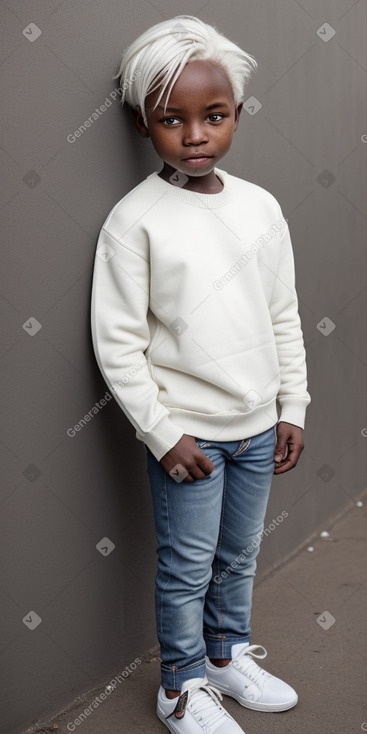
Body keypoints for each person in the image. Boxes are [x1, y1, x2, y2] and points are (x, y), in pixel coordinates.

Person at [91, 15, 311, 734]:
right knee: (187, 568)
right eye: (171, 120)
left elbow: (282, 314)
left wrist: (292, 407)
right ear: (140, 125)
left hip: (256, 430)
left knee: (238, 556)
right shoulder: (135, 221)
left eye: (212, 117)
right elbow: (117, 343)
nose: (193, 136)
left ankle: (223, 657)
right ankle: (180, 686)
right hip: (189, 439)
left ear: (236, 116)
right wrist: (161, 433)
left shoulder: (259, 208)